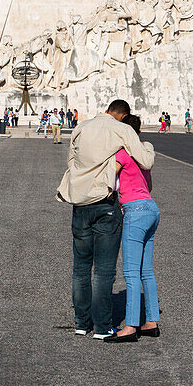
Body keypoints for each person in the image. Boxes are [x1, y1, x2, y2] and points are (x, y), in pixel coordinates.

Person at [57, 98, 155, 340]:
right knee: (103, 269)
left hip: (79, 202)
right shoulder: (121, 129)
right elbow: (146, 160)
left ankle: (81, 323)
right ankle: (101, 327)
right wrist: (147, 147)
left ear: (107, 110)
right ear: (123, 115)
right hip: (105, 203)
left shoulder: (80, 127)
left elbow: (71, 162)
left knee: (80, 268)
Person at [105, 114, 160, 344]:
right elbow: (148, 185)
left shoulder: (122, 153)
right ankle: (152, 322)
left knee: (130, 272)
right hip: (151, 209)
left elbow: (108, 178)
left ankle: (130, 326)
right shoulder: (143, 153)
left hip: (134, 211)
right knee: (146, 270)